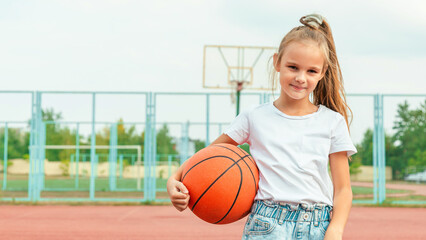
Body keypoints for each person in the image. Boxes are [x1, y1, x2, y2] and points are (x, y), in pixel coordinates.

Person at [167, 13, 357, 240]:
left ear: (322, 73)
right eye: (293, 67)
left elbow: (344, 189)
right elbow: (209, 156)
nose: (300, 77)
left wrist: (335, 228)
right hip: (266, 224)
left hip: (317, 225)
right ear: (277, 62)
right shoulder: (254, 117)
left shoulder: (332, 122)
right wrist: (175, 179)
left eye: (311, 71)